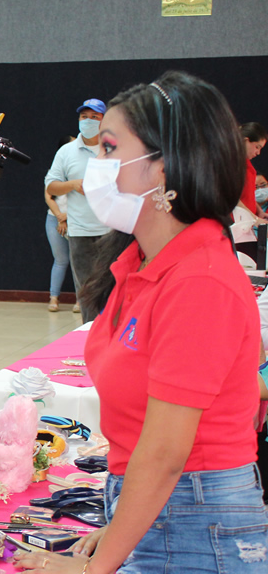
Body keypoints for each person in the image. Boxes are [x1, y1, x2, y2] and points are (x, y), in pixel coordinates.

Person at [15, 71, 268, 574]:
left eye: (109, 148)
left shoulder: (200, 278)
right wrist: (124, 524)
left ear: (164, 167)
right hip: (165, 510)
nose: (96, 164)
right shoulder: (141, 263)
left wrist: (94, 568)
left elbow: (166, 451)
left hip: (197, 524)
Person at [44, 98, 110, 321]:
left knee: (114, 290)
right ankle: (89, 338)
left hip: (113, 232)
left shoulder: (116, 147)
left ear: (104, 120)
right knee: (86, 290)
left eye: (95, 117)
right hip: (80, 231)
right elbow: (50, 185)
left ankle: (114, 342)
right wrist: (72, 185)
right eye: (84, 117)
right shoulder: (67, 151)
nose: (88, 121)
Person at [45, 135, 76, 312]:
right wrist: (59, 217)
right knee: (61, 260)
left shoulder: (81, 169)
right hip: (54, 219)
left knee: (78, 261)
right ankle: (54, 298)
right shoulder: (54, 171)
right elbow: (48, 196)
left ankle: (81, 300)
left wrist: (68, 217)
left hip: (76, 219)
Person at [235, 122, 268, 259]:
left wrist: (258, 212)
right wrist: (254, 218)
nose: (258, 152)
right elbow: (233, 198)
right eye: (257, 147)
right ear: (246, 141)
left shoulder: (246, 163)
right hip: (237, 225)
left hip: (247, 223)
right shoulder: (232, 162)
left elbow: (246, 194)